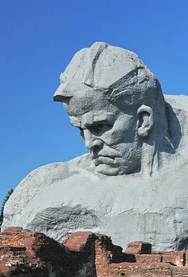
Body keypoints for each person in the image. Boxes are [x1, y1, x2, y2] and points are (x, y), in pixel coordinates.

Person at [52, 42, 170, 176]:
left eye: (100, 126)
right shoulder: (60, 180)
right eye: (81, 129)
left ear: (144, 121)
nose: (89, 144)